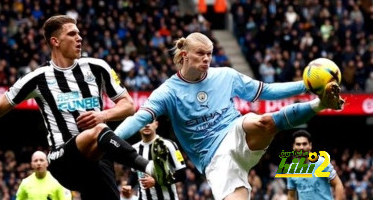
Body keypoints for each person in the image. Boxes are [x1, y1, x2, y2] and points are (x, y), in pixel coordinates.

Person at [113, 32, 345, 200]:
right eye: (201, 54)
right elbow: (140, 117)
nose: (206, 59)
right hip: (213, 159)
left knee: (263, 121)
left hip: (235, 131)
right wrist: (109, 137)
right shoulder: (168, 91)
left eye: (210, 54)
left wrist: (304, 86)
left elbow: (266, 91)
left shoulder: (225, 75)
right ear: (184, 55)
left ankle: (320, 103)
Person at [0, 15, 172, 200]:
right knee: (100, 130)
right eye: (72, 34)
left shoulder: (97, 67)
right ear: (55, 42)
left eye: (79, 33)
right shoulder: (37, 78)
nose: (79, 38)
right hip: (63, 159)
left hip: (97, 159)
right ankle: (150, 167)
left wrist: (103, 115)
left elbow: (128, 105)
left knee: (100, 133)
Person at [125, 120, 187, 200]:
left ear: (156, 124)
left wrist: (156, 182)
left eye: (150, 121)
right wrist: (129, 185)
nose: (147, 125)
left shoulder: (168, 144)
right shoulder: (134, 149)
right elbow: (135, 173)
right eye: (143, 122)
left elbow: (182, 175)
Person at [287, 130, 345, 200]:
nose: (301, 147)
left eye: (304, 144)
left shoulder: (322, 163)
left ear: (310, 145)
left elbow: (338, 184)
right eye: (298, 144)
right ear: (293, 146)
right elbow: (291, 196)